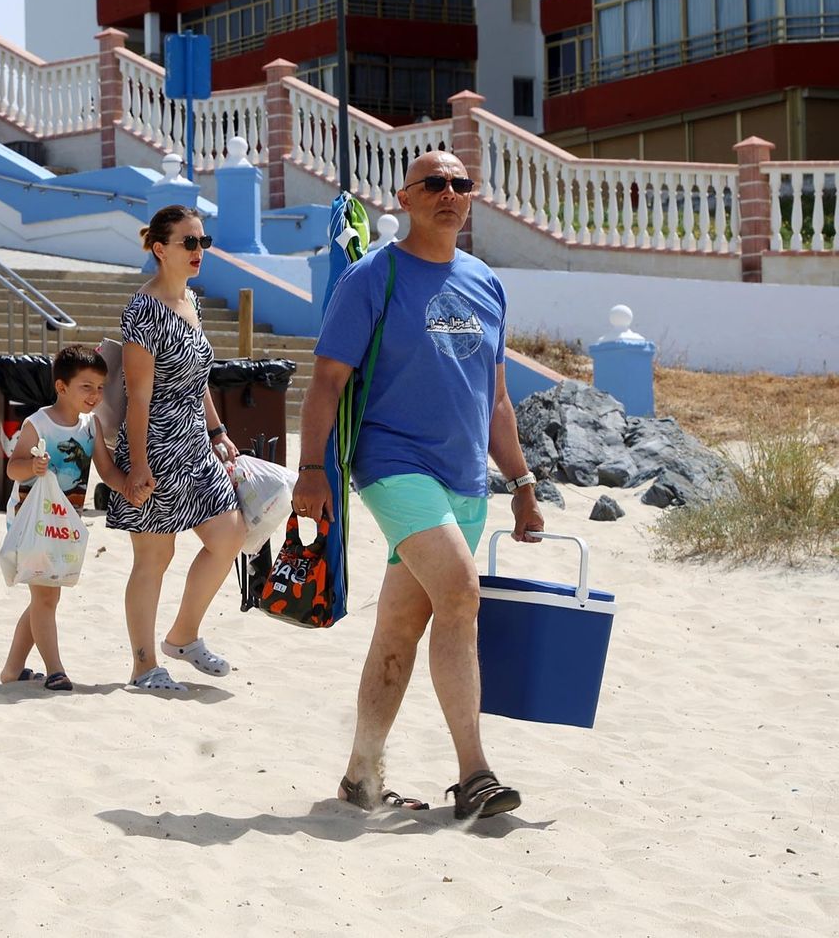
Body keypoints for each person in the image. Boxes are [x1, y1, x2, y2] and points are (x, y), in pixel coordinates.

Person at [292, 150, 543, 821]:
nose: (449, 193)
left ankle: (361, 775)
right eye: (434, 183)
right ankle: (475, 773)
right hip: (394, 465)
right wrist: (311, 469)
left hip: (467, 479)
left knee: (402, 624)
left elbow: (496, 398)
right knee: (460, 591)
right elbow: (326, 382)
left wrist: (521, 480)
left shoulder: (486, 282)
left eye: (461, 184)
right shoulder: (372, 277)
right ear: (404, 199)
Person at [107, 204, 247, 693]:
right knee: (154, 556)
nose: (198, 250)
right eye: (189, 242)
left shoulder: (191, 301)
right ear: (159, 249)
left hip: (194, 443)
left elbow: (197, 377)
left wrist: (217, 430)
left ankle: (183, 636)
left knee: (229, 535)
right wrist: (138, 465)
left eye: (203, 241)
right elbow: (138, 396)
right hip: (155, 446)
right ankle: (143, 665)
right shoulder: (143, 311)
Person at [0, 345, 129, 693]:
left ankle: (13, 669)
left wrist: (130, 488)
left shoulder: (91, 426)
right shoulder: (38, 423)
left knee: (45, 597)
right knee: (46, 598)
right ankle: (55, 670)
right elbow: (12, 468)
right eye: (86, 387)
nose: (95, 395)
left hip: (64, 524)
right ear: (61, 387)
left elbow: (106, 471)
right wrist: (32, 466)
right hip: (32, 521)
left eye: (99, 387)